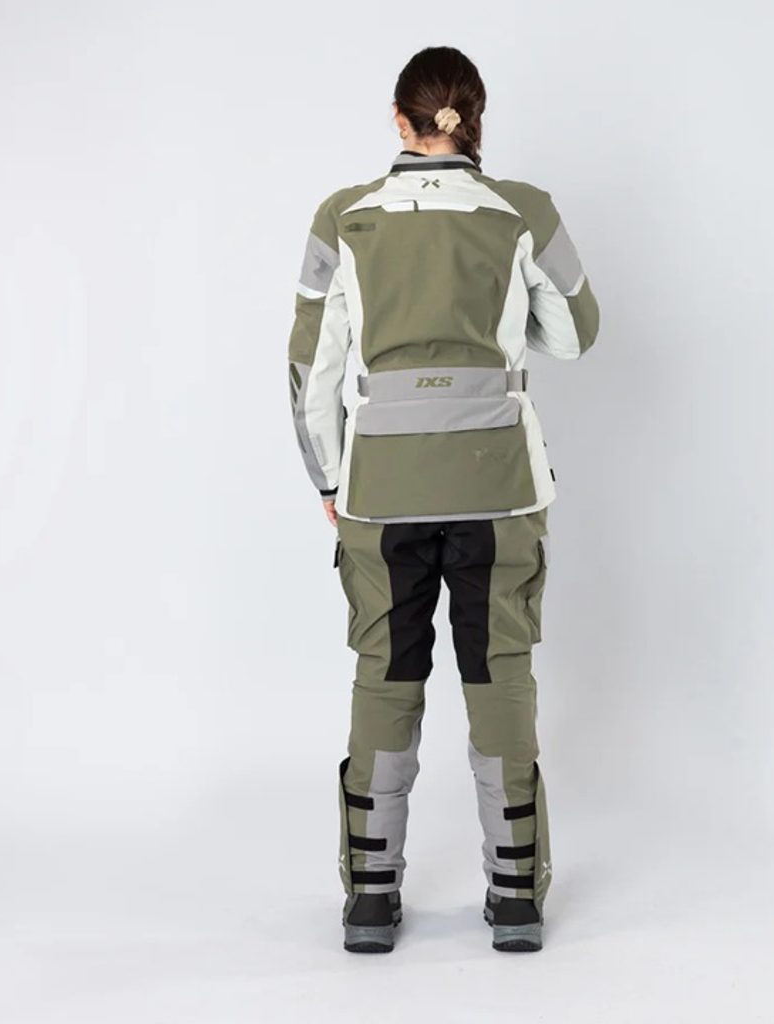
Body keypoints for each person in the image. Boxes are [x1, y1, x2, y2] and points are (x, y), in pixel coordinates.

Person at [286, 45, 599, 953]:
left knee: (386, 675)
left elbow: (312, 372)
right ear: (475, 118)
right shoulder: (523, 211)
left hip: (382, 492)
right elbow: (575, 335)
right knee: (500, 673)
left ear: (401, 119)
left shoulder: (342, 218)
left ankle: (370, 899)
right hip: (498, 486)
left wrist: (330, 479)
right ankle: (516, 899)